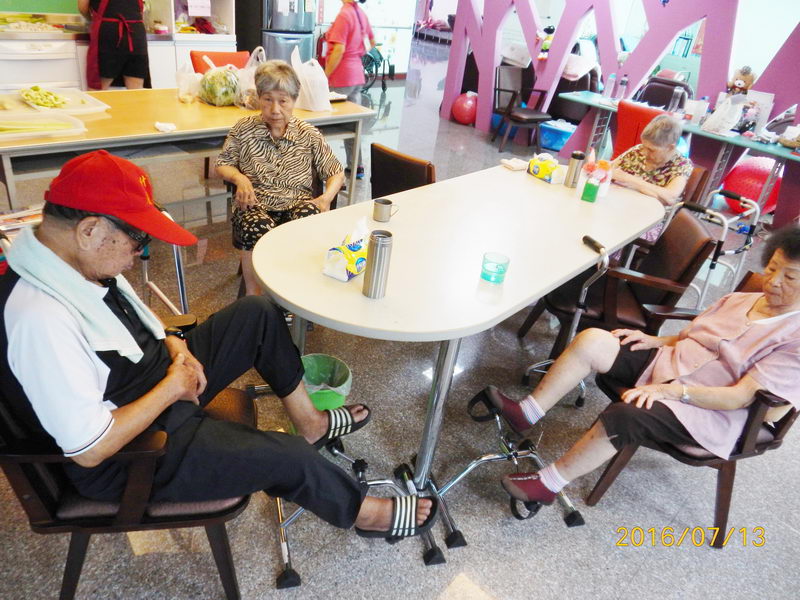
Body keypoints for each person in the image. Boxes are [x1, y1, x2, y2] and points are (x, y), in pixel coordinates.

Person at [0, 150, 435, 539]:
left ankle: (311, 422)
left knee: (257, 314)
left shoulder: (68, 260)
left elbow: (122, 327)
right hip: (135, 451)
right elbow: (91, 449)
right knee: (286, 456)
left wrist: (173, 344)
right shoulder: (40, 319)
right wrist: (171, 388)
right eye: (138, 241)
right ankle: (365, 514)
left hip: (155, 384)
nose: (139, 255)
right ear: (90, 230)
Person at [480, 224, 800, 506]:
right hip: (672, 365)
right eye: (772, 268)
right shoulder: (742, 300)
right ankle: (528, 412)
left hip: (711, 409)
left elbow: (742, 398)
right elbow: (693, 337)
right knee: (594, 340)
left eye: (789, 277)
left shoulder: (795, 338)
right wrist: (655, 341)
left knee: (627, 413)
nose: (773, 282)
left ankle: (548, 484)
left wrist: (671, 393)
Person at [216, 60, 344, 296]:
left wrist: (326, 198)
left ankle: (296, 292)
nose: (275, 109)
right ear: (259, 98)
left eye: (283, 101)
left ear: (294, 100)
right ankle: (255, 298)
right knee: (256, 225)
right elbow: (223, 164)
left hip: (296, 203)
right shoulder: (244, 129)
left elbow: (335, 171)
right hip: (256, 204)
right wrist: (240, 179)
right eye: (267, 99)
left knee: (309, 216)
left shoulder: (308, 134)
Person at [324, 0, 376, 180]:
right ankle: (356, 167)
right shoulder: (360, 14)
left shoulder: (344, 15)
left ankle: (317, 168)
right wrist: (356, 55)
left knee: (319, 120)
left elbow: (339, 49)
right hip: (356, 75)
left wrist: (325, 75)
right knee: (353, 124)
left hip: (341, 77)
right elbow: (372, 42)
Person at [78, 0, 150, 90]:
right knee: (136, 89)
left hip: (109, 32)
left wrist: (92, 18)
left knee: (98, 90)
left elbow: (83, 7)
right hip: (136, 32)